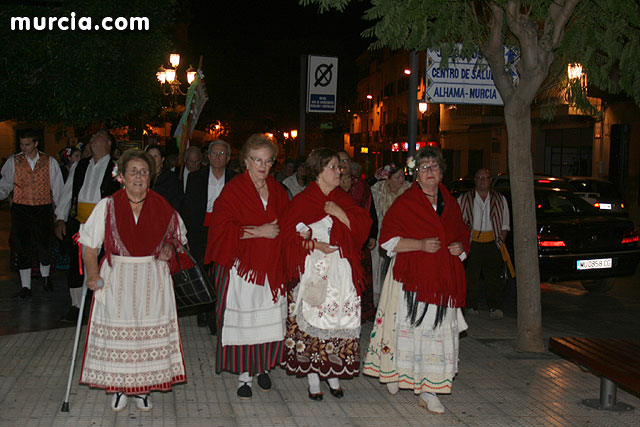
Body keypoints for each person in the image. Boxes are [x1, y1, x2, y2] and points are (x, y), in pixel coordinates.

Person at [77, 149, 187, 412]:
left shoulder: (163, 206)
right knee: (121, 335)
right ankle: (119, 387)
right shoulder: (107, 205)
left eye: (144, 172)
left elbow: (179, 238)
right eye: (133, 171)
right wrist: (92, 274)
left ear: (151, 177)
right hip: (118, 280)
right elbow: (89, 245)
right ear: (122, 176)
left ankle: (143, 390)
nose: (139, 176)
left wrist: (170, 249)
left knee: (145, 337)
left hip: (153, 279)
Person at [363, 146, 470, 415]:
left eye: (434, 166)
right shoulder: (406, 203)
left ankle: (429, 390)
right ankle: (398, 374)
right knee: (409, 333)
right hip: (412, 282)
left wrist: (459, 246)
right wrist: (419, 244)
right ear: (417, 175)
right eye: (424, 168)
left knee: (436, 336)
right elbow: (387, 241)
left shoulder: (451, 203)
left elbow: (461, 233)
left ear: (442, 173)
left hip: (442, 283)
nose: (429, 171)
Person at [280, 148, 372, 401]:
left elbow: (362, 226)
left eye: (338, 166)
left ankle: (331, 372)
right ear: (318, 170)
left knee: (337, 322)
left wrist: (339, 213)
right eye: (332, 166)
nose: (338, 171)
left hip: (340, 272)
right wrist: (315, 245)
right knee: (312, 322)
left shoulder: (341, 198)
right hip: (314, 271)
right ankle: (313, 378)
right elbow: (288, 240)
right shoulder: (301, 201)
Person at [204, 134, 289, 399]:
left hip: (270, 271)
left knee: (268, 321)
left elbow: (286, 224)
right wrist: (259, 232)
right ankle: (245, 377)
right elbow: (220, 229)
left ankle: (262, 367)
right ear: (246, 161)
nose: (262, 166)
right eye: (257, 160)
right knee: (246, 322)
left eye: (268, 160)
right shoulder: (234, 190)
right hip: (243, 271)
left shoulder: (277, 190)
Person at [55, 129, 121, 322]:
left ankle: (98, 306)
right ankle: (76, 306)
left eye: (97, 136)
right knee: (76, 265)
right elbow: (68, 192)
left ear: (108, 142)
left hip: (104, 226)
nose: (92, 139)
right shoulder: (80, 165)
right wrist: (60, 218)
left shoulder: (116, 167)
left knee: (101, 265)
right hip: (80, 224)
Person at [0, 130, 65, 297]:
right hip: (21, 208)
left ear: (36, 144)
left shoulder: (49, 161)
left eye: (27, 144)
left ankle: (45, 277)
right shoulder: (13, 161)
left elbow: (58, 189)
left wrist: (60, 214)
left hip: (43, 207)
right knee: (23, 246)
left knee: (44, 244)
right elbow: (6, 184)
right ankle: (26, 286)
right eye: (21, 144)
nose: (24, 147)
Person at [181, 139, 237, 330]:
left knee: (219, 271)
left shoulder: (235, 178)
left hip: (224, 231)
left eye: (222, 154)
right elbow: (188, 207)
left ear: (228, 158)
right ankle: (203, 311)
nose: (218, 157)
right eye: (214, 153)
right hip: (200, 230)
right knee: (202, 271)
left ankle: (216, 316)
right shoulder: (196, 177)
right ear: (208, 156)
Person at [458, 168, 510, 319]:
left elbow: (505, 225)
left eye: (485, 178)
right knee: (471, 277)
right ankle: (470, 306)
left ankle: (495, 307)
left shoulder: (500, 199)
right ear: (475, 180)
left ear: (490, 180)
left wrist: (500, 242)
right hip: (472, 242)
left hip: (492, 242)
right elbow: (458, 222)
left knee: (493, 277)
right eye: (479, 178)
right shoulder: (464, 198)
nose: (482, 181)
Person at [337, 150, 377, 321]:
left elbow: (371, 212)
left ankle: (360, 313)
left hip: (360, 239)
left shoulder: (361, 186)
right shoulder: (330, 184)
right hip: (337, 241)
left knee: (360, 277)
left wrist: (372, 235)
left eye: (346, 160)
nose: (343, 164)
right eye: (339, 161)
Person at [370, 162, 411, 304]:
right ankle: (380, 302)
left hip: (403, 233)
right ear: (388, 178)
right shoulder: (377, 190)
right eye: (397, 177)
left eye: (402, 176)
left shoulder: (409, 190)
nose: (401, 180)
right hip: (383, 232)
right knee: (380, 268)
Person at [146, 144, 183, 210]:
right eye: (149, 156)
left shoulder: (171, 179)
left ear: (162, 159)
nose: (152, 159)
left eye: (155, 156)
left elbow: (177, 203)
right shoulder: (141, 177)